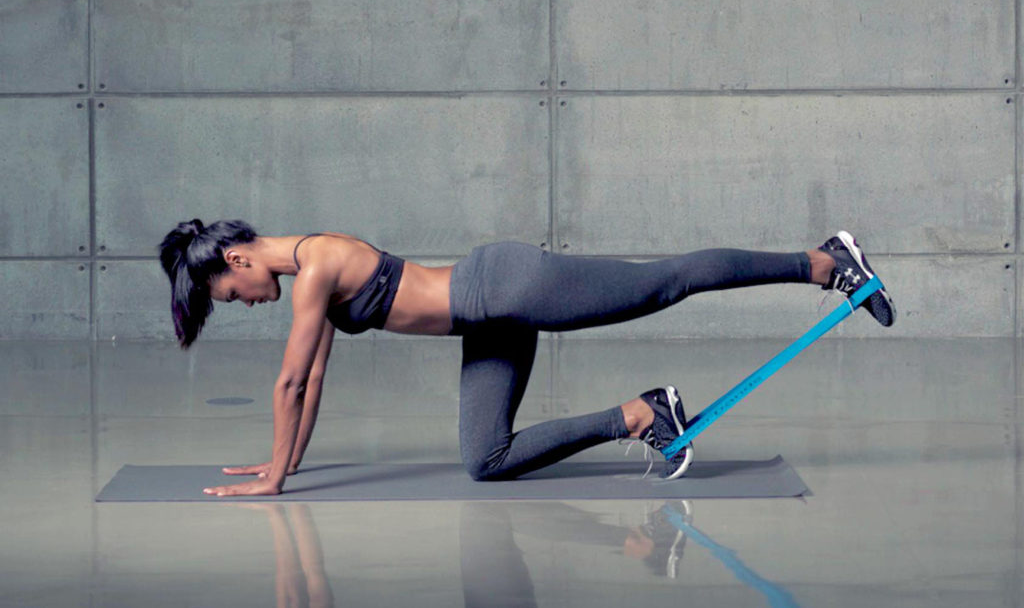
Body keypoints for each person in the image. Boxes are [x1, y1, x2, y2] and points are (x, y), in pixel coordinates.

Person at [157, 220, 894, 497]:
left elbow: (290, 378)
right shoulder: (306, 274)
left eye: (229, 291)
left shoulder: (314, 263)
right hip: (487, 323)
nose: (243, 301)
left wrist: (277, 478)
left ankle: (823, 264)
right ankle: (643, 414)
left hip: (506, 286)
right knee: (487, 460)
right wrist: (278, 464)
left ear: (236, 256)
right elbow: (310, 379)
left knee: (662, 282)